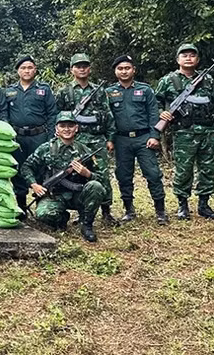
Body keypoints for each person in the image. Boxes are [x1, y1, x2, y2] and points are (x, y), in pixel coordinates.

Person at [155, 43, 214, 220]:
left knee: (208, 169)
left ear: (197, 59)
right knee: (184, 170)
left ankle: (204, 204)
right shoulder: (169, 80)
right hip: (183, 133)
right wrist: (160, 112)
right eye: (184, 55)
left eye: (192, 55)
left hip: (208, 132)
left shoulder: (207, 79)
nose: (188, 58)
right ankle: (183, 205)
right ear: (178, 59)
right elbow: (154, 102)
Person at [21, 111, 107, 242]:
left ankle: (86, 225)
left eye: (70, 126)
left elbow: (102, 178)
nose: (67, 129)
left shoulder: (84, 150)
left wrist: (87, 174)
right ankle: (62, 219)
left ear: (76, 128)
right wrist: (34, 185)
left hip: (78, 195)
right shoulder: (46, 148)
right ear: (57, 128)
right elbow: (26, 167)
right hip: (55, 195)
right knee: (43, 214)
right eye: (62, 126)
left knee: (96, 187)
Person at [56, 53, 117, 225]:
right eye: (78, 66)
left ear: (89, 68)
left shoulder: (99, 91)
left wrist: (110, 138)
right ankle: (83, 213)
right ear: (71, 70)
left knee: (102, 174)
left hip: (97, 139)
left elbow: (108, 116)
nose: (82, 69)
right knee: (76, 174)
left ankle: (106, 211)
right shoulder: (64, 92)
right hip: (75, 140)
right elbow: (58, 116)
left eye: (85, 65)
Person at [106, 55, 167, 224]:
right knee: (124, 176)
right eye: (120, 68)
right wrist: (110, 139)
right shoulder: (110, 92)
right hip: (121, 140)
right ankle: (129, 210)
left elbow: (153, 114)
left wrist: (155, 136)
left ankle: (160, 211)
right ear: (115, 72)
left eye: (127, 68)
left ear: (134, 70)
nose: (124, 71)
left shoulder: (145, 90)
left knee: (153, 174)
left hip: (144, 138)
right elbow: (109, 119)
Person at [6, 56, 58, 210]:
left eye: (30, 67)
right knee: (18, 169)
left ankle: (41, 205)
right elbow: (5, 114)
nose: (27, 71)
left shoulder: (44, 89)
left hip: (39, 136)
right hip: (17, 137)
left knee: (40, 169)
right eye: (23, 68)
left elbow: (52, 114)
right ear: (18, 71)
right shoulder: (9, 91)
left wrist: (50, 138)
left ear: (35, 70)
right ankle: (21, 207)